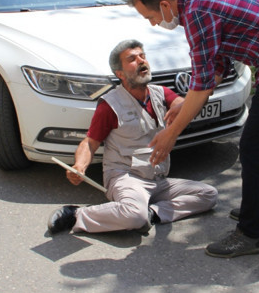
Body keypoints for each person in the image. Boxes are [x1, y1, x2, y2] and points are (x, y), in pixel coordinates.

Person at [128, 0, 259, 259]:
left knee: (254, 147)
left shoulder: (197, 12)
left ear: (164, 4)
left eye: (151, 16)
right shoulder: (197, 1)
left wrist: (171, 135)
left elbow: (204, 85)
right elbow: (216, 63)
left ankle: (250, 235)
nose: (154, 23)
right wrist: (184, 102)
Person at [47, 39, 217, 235]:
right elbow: (90, 142)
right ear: (120, 73)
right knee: (134, 216)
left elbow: (184, 106)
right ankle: (76, 214)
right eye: (132, 59)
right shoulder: (110, 104)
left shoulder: (160, 93)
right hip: (125, 177)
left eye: (142, 56)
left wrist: (189, 101)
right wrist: (80, 166)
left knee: (208, 194)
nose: (141, 61)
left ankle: (152, 213)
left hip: (157, 179)